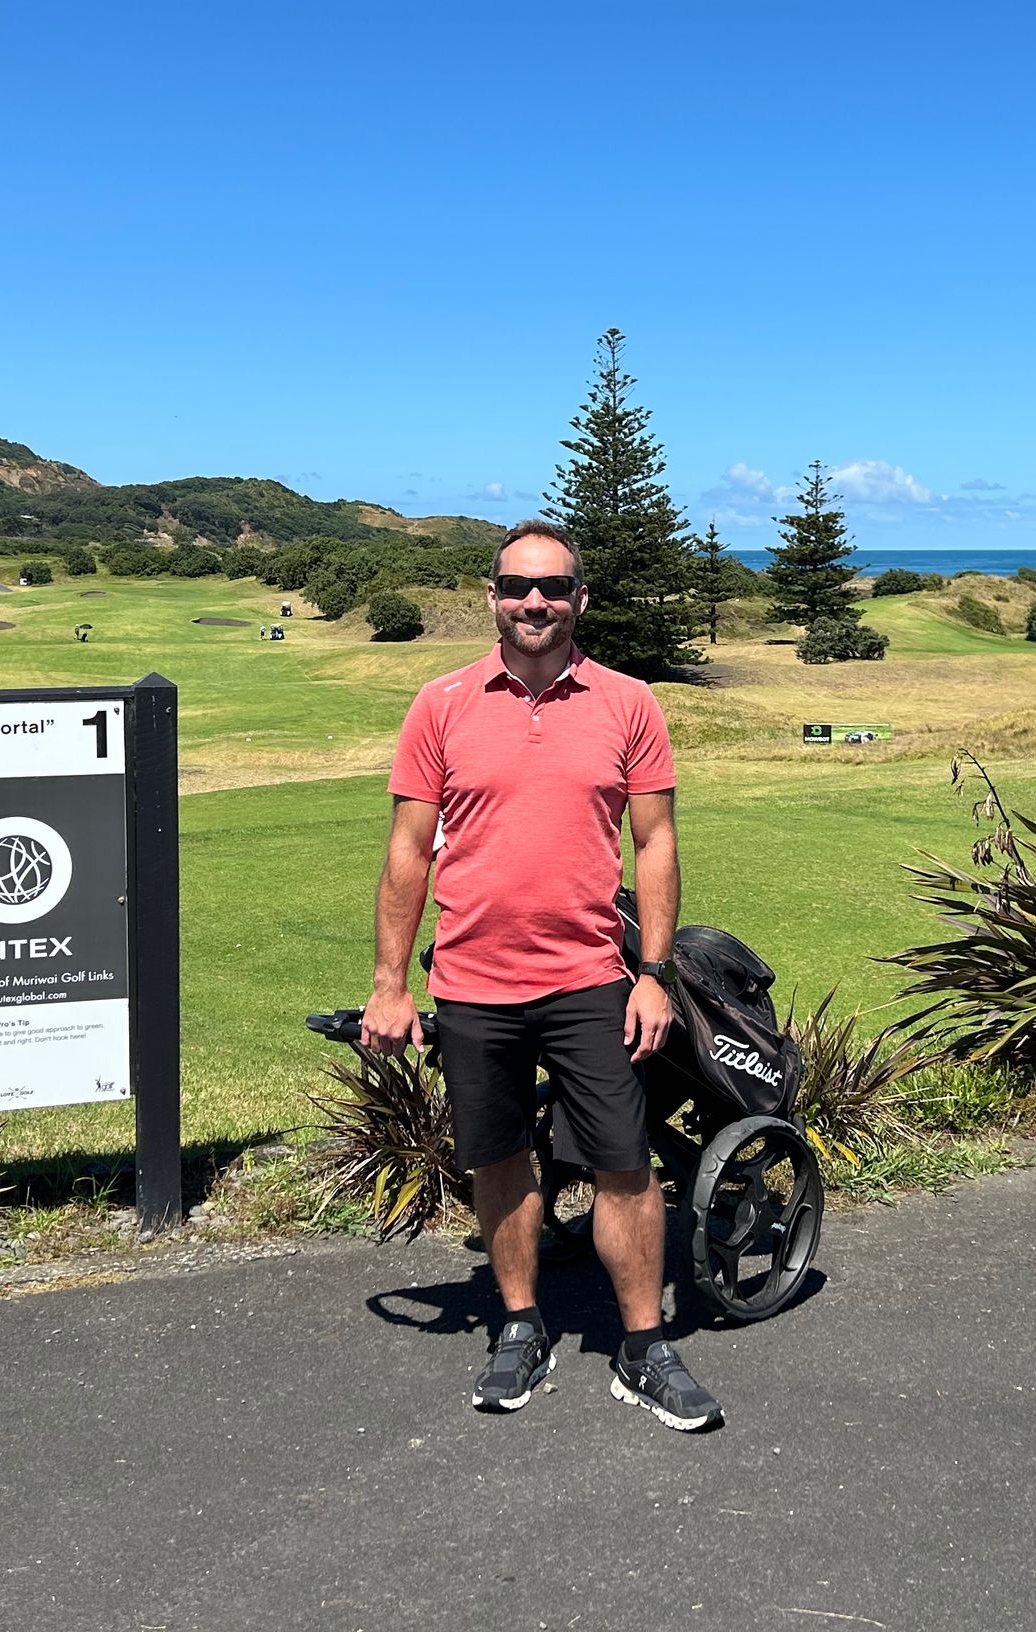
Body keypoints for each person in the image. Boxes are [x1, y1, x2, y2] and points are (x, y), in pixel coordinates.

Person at [365, 518, 722, 1432]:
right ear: (492, 596)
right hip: (476, 982)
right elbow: (408, 852)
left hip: (589, 978)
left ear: (579, 599)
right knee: (497, 1160)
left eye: (554, 587)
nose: (536, 601)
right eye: (518, 586)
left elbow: (655, 842)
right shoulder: (440, 704)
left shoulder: (628, 703)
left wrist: (650, 973)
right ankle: (519, 1324)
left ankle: (642, 1346)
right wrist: (391, 983)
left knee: (624, 1166)